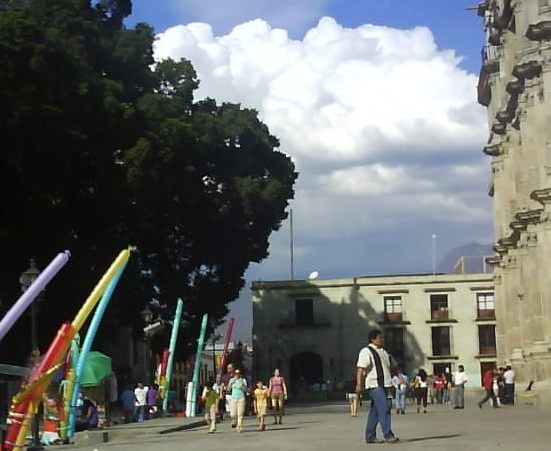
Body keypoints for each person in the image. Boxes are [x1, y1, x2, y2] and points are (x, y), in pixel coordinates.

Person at [356, 329, 399, 444]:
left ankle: (370, 436)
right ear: (373, 339)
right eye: (380, 338)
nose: (382, 340)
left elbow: (393, 367)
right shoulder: (366, 351)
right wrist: (359, 384)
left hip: (386, 384)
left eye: (383, 338)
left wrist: (397, 379)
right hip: (374, 384)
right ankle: (388, 434)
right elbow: (361, 368)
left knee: (375, 411)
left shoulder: (384, 352)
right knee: (385, 407)